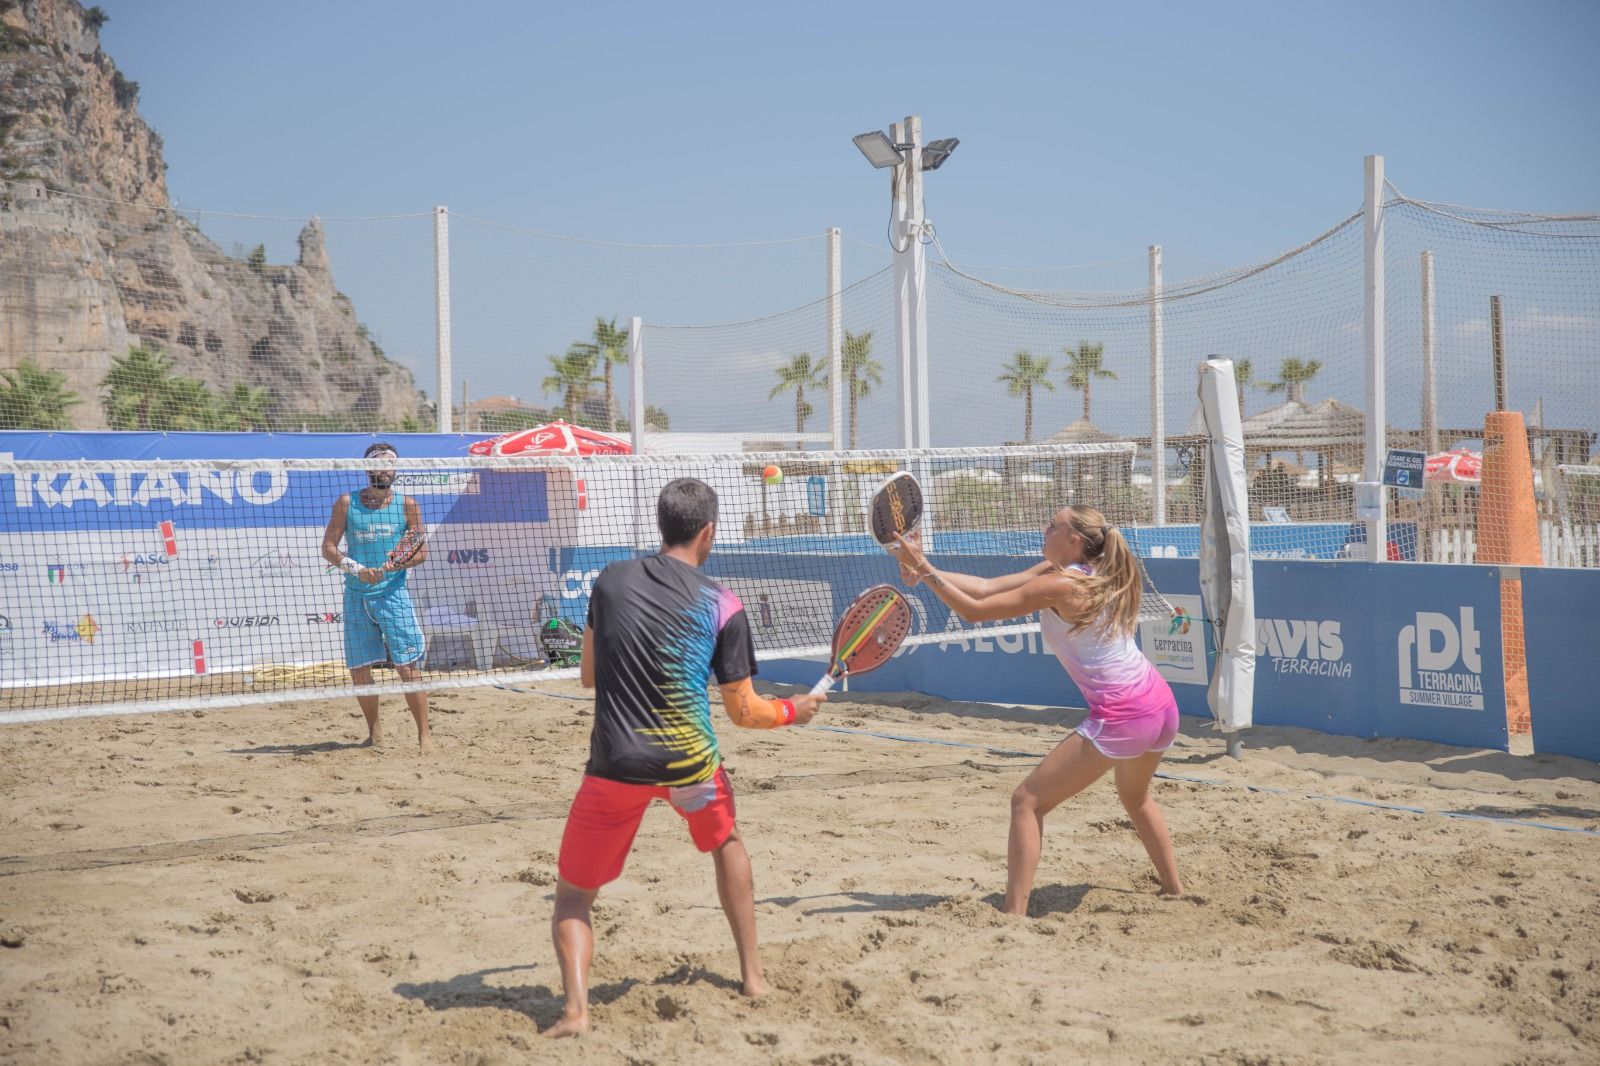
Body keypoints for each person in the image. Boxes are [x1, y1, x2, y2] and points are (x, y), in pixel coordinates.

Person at [545, 477, 827, 1039]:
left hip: (616, 764)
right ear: (708, 532)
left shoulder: (609, 580)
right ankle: (753, 977)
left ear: (662, 524)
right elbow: (745, 712)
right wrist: (795, 710)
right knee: (727, 844)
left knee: (574, 898)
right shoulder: (723, 603)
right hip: (689, 765)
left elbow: (587, 677)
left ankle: (576, 1010)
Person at [892, 504, 1183, 915]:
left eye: (1053, 525)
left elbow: (975, 611)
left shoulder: (1063, 586)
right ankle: (1174, 889)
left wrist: (926, 569)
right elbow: (985, 587)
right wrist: (924, 570)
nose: (1044, 529)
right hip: (1161, 706)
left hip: (1126, 714)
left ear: (1074, 540)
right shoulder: (1088, 573)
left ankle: (1012, 914)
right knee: (1136, 800)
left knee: (1027, 801)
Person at [319, 441, 433, 751]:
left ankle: (424, 736)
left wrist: (396, 563)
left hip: (393, 596)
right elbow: (328, 547)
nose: (385, 469)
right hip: (357, 596)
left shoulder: (407, 505)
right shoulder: (347, 503)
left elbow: (421, 552)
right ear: (368, 468)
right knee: (359, 670)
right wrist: (357, 569)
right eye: (380, 464)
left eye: (390, 464)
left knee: (408, 667)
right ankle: (374, 731)